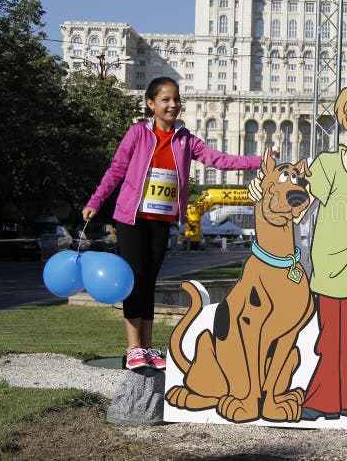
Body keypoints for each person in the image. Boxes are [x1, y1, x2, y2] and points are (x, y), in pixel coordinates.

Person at [82, 77, 262, 370]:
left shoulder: (185, 139)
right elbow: (116, 170)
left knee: (149, 281)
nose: (172, 105)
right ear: (151, 104)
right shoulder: (138, 133)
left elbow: (218, 159)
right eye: (165, 100)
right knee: (135, 280)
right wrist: (94, 202)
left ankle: (149, 348)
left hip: (161, 220)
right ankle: (133, 348)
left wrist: (258, 162)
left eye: (176, 99)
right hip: (132, 218)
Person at [249, 78, 347, 421]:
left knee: (345, 335)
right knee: (331, 335)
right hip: (326, 263)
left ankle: (338, 399)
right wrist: (264, 188)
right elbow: (299, 203)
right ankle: (326, 401)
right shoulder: (327, 164)